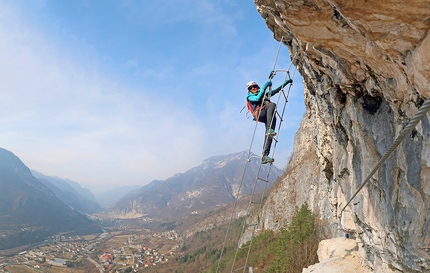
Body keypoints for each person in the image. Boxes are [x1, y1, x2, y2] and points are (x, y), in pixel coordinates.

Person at [246, 79, 292, 164]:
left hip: (268, 114)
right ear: (249, 90)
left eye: (255, 87)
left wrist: (284, 83)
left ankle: (264, 156)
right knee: (272, 105)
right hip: (260, 113)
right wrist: (264, 87)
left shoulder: (264, 94)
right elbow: (257, 98)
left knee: (269, 135)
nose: (253, 88)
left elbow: (276, 91)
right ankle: (270, 129)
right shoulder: (249, 97)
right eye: (251, 88)